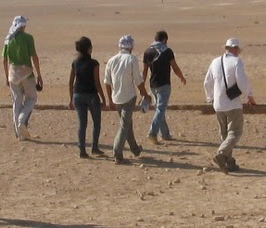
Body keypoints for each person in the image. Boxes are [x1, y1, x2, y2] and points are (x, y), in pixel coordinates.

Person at [203, 38, 255, 172]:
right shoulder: (236, 61)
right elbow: (242, 82)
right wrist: (249, 95)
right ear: (235, 49)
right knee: (235, 133)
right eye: (238, 50)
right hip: (233, 104)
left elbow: (207, 82)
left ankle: (229, 162)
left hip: (218, 104)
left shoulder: (215, 62)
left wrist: (210, 98)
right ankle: (221, 154)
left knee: (224, 134)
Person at [103, 35, 148, 164]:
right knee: (124, 125)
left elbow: (107, 82)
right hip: (129, 97)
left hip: (116, 98)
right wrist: (145, 94)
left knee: (127, 123)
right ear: (131, 47)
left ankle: (135, 149)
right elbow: (138, 80)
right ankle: (117, 153)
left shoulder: (111, 60)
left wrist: (110, 99)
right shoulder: (132, 59)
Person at [1, 15, 43, 141]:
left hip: (13, 74)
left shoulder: (8, 39)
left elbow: (4, 60)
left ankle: (19, 134)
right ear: (23, 25)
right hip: (26, 73)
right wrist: (39, 74)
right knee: (31, 99)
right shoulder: (28, 38)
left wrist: (6, 76)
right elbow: (34, 57)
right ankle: (22, 120)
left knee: (16, 102)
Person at [141, 30, 187, 143]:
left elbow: (144, 71)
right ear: (165, 40)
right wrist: (181, 77)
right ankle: (152, 133)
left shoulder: (147, 51)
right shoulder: (167, 51)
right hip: (164, 84)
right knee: (161, 110)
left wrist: (142, 85)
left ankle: (165, 134)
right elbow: (175, 67)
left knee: (159, 109)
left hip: (153, 85)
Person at [67, 37, 105, 159]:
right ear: (89, 49)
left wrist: (71, 98)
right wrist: (103, 98)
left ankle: (82, 149)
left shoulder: (75, 63)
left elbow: (70, 82)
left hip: (78, 95)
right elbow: (97, 82)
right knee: (96, 123)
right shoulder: (94, 63)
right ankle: (94, 147)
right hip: (91, 95)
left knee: (82, 124)